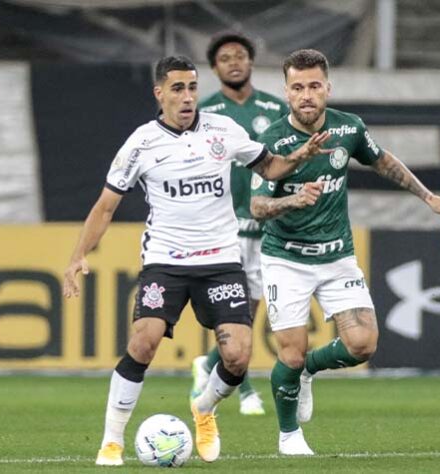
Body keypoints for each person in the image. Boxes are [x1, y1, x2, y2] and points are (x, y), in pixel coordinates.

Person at [62, 55, 330, 466]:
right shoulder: (142, 142)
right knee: (144, 340)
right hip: (165, 262)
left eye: (191, 88)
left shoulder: (223, 130)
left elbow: (269, 167)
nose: (187, 97)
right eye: (177, 89)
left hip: (222, 260)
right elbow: (105, 207)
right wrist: (78, 255)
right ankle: (111, 441)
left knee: (238, 356)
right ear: (160, 93)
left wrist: (299, 157)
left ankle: (204, 409)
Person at [250, 49, 440, 455]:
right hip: (286, 258)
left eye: (314, 86)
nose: (307, 95)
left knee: (362, 345)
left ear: (328, 88)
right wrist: (292, 201)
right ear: (286, 92)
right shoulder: (272, 141)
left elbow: (383, 161)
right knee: (290, 349)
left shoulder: (348, 129)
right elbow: (257, 208)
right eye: (298, 87)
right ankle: (289, 437)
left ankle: (308, 371)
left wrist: (427, 196)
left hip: (336, 256)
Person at [189, 31, 289, 417]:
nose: (234, 62)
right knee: (236, 313)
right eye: (225, 57)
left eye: (240, 56)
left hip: (264, 224)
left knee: (250, 311)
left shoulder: (274, 108)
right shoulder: (204, 113)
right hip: (224, 226)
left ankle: (207, 364)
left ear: (250, 62)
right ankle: (244, 390)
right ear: (215, 68)